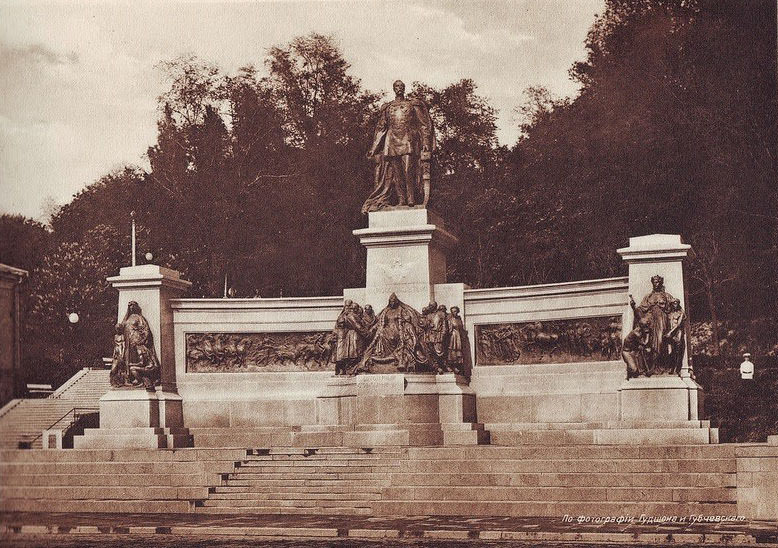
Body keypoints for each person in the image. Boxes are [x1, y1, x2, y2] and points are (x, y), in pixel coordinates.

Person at [362, 80, 435, 213]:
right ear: (394, 89)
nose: (399, 88)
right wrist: (374, 148)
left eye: (401, 86)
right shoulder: (388, 107)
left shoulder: (412, 105)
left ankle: (411, 197)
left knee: (408, 169)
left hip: (407, 139)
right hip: (392, 141)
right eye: (397, 86)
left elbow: (423, 125)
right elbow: (381, 128)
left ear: (404, 88)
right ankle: (402, 199)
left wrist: (425, 142)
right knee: (396, 173)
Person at [630, 275, 679, 374]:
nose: (655, 284)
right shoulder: (648, 296)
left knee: (661, 342)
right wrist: (633, 306)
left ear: (660, 283)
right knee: (650, 343)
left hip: (662, 320)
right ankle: (652, 367)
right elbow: (641, 310)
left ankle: (663, 366)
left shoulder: (667, 296)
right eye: (654, 282)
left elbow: (675, 308)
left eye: (657, 282)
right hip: (651, 320)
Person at [122, 301, 160, 388]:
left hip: (137, 341)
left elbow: (145, 329)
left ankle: (141, 378)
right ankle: (129, 378)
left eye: (133, 306)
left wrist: (143, 340)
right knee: (129, 358)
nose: (131, 308)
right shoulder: (128, 318)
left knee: (140, 358)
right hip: (129, 343)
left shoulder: (139, 318)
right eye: (130, 306)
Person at [447, 306, 465, 375]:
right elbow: (449, 329)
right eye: (453, 311)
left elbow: (461, 327)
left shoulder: (459, 319)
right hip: (453, 336)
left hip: (458, 336)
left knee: (458, 350)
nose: (454, 313)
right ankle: (451, 366)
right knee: (452, 350)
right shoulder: (450, 319)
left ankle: (457, 366)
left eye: (455, 311)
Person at [109, 323, 127, 387]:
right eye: (116, 329)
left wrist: (122, 354)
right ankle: (114, 382)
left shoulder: (122, 336)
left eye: (118, 329)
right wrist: (114, 354)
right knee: (113, 370)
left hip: (120, 352)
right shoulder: (115, 336)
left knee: (120, 369)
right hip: (116, 352)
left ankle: (120, 382)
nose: (117, 330)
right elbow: (115, 345)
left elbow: (124, 346)